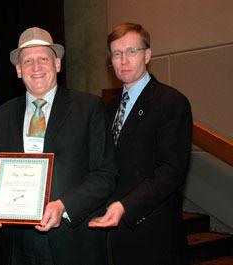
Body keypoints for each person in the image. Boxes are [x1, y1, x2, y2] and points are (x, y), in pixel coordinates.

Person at [0, 27, 117, 265]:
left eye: (43, 59)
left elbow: (105, 175)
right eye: (28, 61)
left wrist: (64, 206)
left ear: (57, 64)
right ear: (19, 70)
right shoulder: (2, 115)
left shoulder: (89, 108)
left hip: (72, 243)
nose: (36, 67)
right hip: (16, 247)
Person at [89, 22, 192, 265]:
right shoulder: (109, 108)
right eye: (116, 53)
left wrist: (126, 206)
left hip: (153, 236)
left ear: (147, 55)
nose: (123, 60)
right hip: (115, 236)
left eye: (131, 51)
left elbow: (171, 171)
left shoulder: (171, 102)